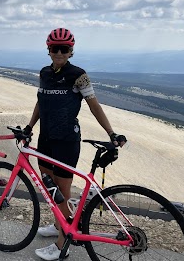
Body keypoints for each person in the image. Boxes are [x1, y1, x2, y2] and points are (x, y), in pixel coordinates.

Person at [23, 27, 126, 261]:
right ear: (48, 50)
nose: (59, 52)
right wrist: (29, 127)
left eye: (64, 49)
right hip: (46, 138)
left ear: (71, 51)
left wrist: (111, 132)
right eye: (54, 48)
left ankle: (63, 244)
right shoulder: (44, 73)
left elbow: (94, 105)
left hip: (66, 141)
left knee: (63, 191)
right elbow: (40, 103)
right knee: (49, 188)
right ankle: (59, 224)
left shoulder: (78, 74)